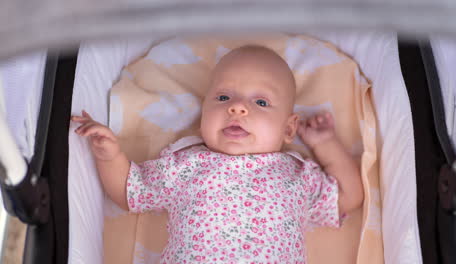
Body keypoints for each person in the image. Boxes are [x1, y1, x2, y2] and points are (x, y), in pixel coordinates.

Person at [71, 45, 363, 263]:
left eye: (260, 102)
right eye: (223, 97)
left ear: (289, 128)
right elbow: (129, 191)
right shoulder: (184, 164)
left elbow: (349, 197)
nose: (237, 108)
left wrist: (326, 145)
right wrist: (110, 156)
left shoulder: (298, 174)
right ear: (203, 116)